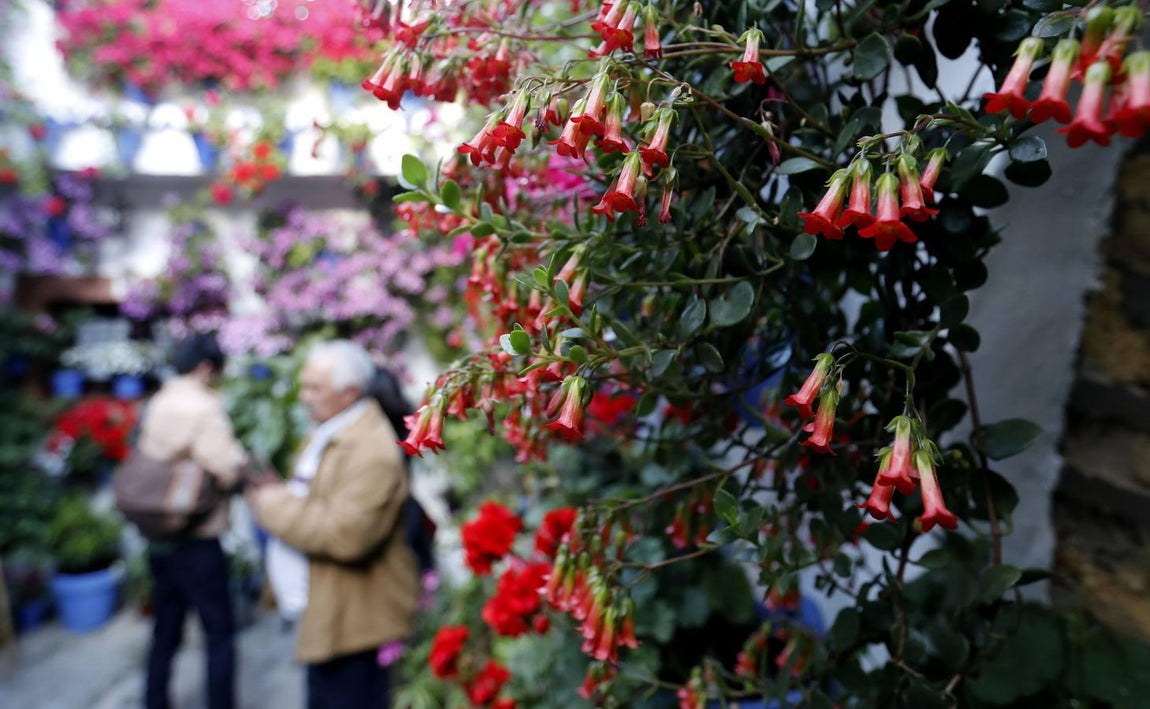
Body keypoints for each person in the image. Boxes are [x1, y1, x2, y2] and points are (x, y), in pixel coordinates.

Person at [246, 340, 419, 709]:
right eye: (304, 385)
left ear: (349, 392)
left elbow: (346, 536)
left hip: (355, 624)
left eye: (314, 388)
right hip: (330, 614)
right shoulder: (332, 427)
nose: (304, 396)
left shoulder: (370, 450)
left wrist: (271, 504)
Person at [137, 333, 247, 709]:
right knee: (219, 632)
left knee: (165, 630)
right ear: (205, 367)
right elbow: (227, 468)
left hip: (159, 536)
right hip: (198, 538)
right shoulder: (203, 406)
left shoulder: (158, 402)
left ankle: (154, 701)